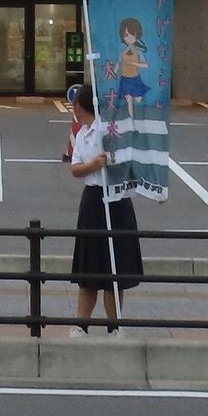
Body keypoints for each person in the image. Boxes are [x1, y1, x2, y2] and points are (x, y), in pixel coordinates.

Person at [67, 82, 140, 330]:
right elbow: (75, 168)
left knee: (114, 273)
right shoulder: (81, 133)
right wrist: (93, 166)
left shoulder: (110, 130)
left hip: (117, 200)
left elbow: (127, 161)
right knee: (87, 272)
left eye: (74, 104)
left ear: (81, 105)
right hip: (92, 200)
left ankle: (114, 326)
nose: (73, 109)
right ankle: (81, 325)